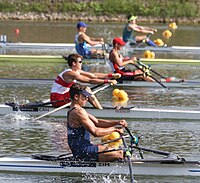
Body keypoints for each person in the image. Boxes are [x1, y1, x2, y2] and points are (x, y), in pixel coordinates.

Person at [67, 83, 127, 162]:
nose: (87, 99)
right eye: (84, 96)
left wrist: (117, 122)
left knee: (119, 151)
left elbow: (97, 122)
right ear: (76, 97)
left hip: (84, 148)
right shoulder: (78, 112)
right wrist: (115, 129)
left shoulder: (77, 109)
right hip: (83, 151)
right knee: (119, 153)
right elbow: (95, 132)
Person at [50, 53, 121, 109]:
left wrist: (112, 75)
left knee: (82, 91)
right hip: (57, 99)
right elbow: (89, 80)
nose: (81, 63)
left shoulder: (76, 71)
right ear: (74, 63)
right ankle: (100, 111)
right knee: (86, 89)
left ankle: (94, 109)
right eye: (80, 62)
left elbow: (93, 75)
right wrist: (107, 81)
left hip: (62, 96)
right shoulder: (70, 73)